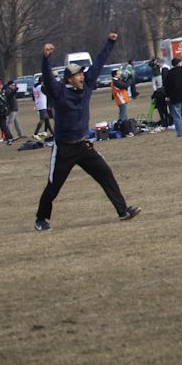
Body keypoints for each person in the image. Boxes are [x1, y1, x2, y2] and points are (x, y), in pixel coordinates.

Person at [34, 34, 142, 231]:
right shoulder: (59, 92)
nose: (82, 76)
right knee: (53, 186)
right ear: (69, 79)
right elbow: (48, 79)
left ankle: (122, 210)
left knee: (105, 173)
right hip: (64, 148)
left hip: (83, 145)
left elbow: (99, 63)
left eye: (82, 73)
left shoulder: (86, 86)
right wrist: (46, 58)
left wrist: (110, 43)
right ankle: (41, 219)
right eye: (78, 74)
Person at [32, 76, 54, 140]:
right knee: (43, 119)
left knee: (46, 119)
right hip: (42, 105)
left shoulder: (34, 87)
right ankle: (35, 133)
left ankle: (52, 133)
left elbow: (33, 97)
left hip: (39, 104)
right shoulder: (41, 87)